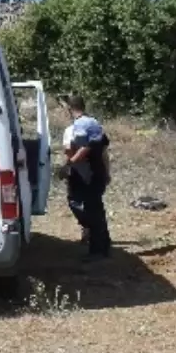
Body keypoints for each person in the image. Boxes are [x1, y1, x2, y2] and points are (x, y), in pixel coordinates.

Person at [59, 95, 112, 261]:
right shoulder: (94, 123)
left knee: (91, 210)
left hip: (88, 174)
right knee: (97, 210)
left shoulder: (78, 126)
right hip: (97, 172)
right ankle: (103, 245)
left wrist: (68, 164)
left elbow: (82, 149)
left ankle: (97, 251)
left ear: (69, 108)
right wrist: (107, 172)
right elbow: (103, 151)